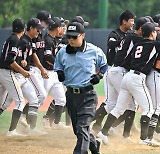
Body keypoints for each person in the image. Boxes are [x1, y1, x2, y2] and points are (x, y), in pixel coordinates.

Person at [96, 22, 160, 146]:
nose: (157, 33)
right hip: (137, 79)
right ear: (152, 33)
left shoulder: (138, 44)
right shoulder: (154, 44)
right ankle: (144, 139)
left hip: (127, 76)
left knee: (119, 108)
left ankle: (103, 132)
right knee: (149, 109)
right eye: (155, 32)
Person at [54, 22, 107, 154]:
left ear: (83, 35)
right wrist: (60, 72)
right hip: (71, 96)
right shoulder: (62, 52)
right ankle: (94, 146)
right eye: (69, 37)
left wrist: (99, 75)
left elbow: (105, 65)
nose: (71, 40)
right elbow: (58, 65)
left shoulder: (94, 51)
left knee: (82, 126)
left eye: (74, 37)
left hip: (88, 95)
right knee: (78, 130)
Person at [92, 10, 136, 133]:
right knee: (119, 103)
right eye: (131, 21)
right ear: (124, 21)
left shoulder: (130, 34)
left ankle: (101, 126)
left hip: (122, 71)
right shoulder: (115, 33)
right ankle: (102, 125)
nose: (133, 23)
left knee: (113, 103)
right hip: (113, 69)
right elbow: (111, 45)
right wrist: (127, 40)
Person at [19, 10, 53, 127]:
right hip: (31, 69)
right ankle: (24, 116)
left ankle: (27, 120)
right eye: (46, 22)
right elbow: (31, 54)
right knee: (40, 95)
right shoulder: (31, 35)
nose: (47, 25)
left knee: (40, 98)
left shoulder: (40, 34)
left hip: (38, 69)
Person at [0, 18, 30, 136]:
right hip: (7, 73)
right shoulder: (15, 40)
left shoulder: (11, 39)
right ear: (24, 29)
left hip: (1, 71)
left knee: (1, 103)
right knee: (20, 101)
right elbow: (9, 60)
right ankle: (12, 131)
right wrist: (23, 72)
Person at [43, 17, 68, 129]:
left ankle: (56, 123)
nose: (62, 28)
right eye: (60, 27)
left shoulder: (52, 39)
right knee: (40, 97)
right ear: (57, 28)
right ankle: (25, 117)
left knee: (61, 99)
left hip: (54, 73)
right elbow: (48, 57)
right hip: (47, 73)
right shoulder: (48, 40)